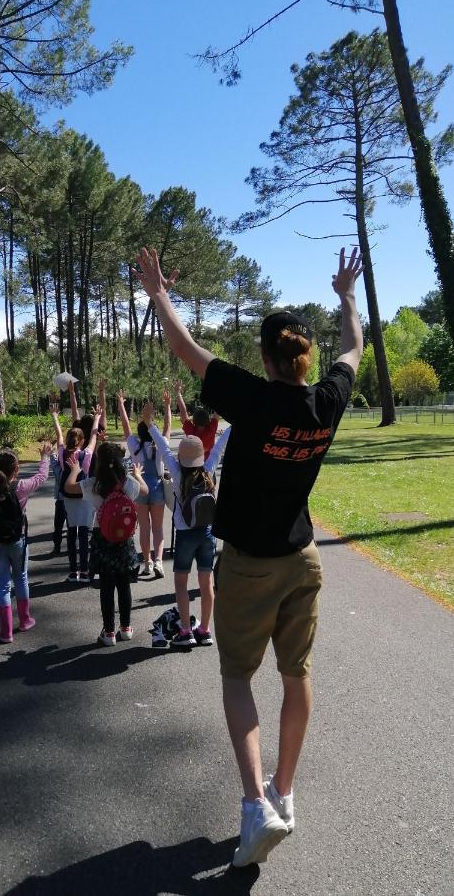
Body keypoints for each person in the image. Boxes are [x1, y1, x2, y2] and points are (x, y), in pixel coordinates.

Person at [133, 245, 364, 867]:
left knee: (237, 676)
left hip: (248, 563)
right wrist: (346, 296)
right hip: (303, 558)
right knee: (297, 675)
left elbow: (185, 349)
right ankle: (284, 794)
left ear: (265, 358)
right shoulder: (326, 400)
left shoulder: (253, 399)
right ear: (302, 356)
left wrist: (158, 293)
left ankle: (254, 806)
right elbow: (353, 350)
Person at [145, 401, 231, 647]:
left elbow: (162, 446)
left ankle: (185, 630)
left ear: (182, 455)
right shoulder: (208, 468)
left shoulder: (177, 471)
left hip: (184, 535)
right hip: (207, 534)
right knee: (206, 585)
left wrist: (150, 423)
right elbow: (221, 443)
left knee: (181, 583)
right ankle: (204, 630)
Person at [63, 442, 147, 645]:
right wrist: (137, 474)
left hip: (103, 538)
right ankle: (126, 628)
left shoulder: (93, 484)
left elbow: (68, 487)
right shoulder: (127, 483)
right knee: (124, 584)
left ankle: (109, 632)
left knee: (107, 586)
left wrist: (75, 470)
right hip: (124, 540)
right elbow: (144, 490)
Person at [0, 441, 52, 643]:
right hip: (17, 539)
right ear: (16, 469)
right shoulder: (21, 487)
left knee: (2, 585)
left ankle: (6, 632)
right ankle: (24, 620)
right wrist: (45, 456)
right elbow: (42, 476)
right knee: (21, 578)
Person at [117, 389, 171, 578]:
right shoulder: (160, 443)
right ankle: (158, 561)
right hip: (157, 486)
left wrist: (122, 405)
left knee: (145, 529)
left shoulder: (134, 446)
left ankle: (147, 562)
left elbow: (125, 427)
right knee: (158, 528)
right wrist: (167, 405)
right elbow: (167, 427)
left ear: (139, 433)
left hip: (139, 487)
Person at [52, 404, 102, 582]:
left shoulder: (63, 454)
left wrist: (55, 417)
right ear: (81, 440)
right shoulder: (85, 455)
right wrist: (96, 417)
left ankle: (73, 572)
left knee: (71, 533)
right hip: (83, 496)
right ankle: (86, 571)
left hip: (67, 498)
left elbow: (58, 436)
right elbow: (94, 437)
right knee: (84, 535)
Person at [175, 382, 219, 460]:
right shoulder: (211, 429)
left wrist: (178, 393)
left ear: (194, 421)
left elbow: (183, 411)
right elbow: (218, 410)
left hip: (193, 465)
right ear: (208, 420)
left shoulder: (191, 431)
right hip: (208, 465)